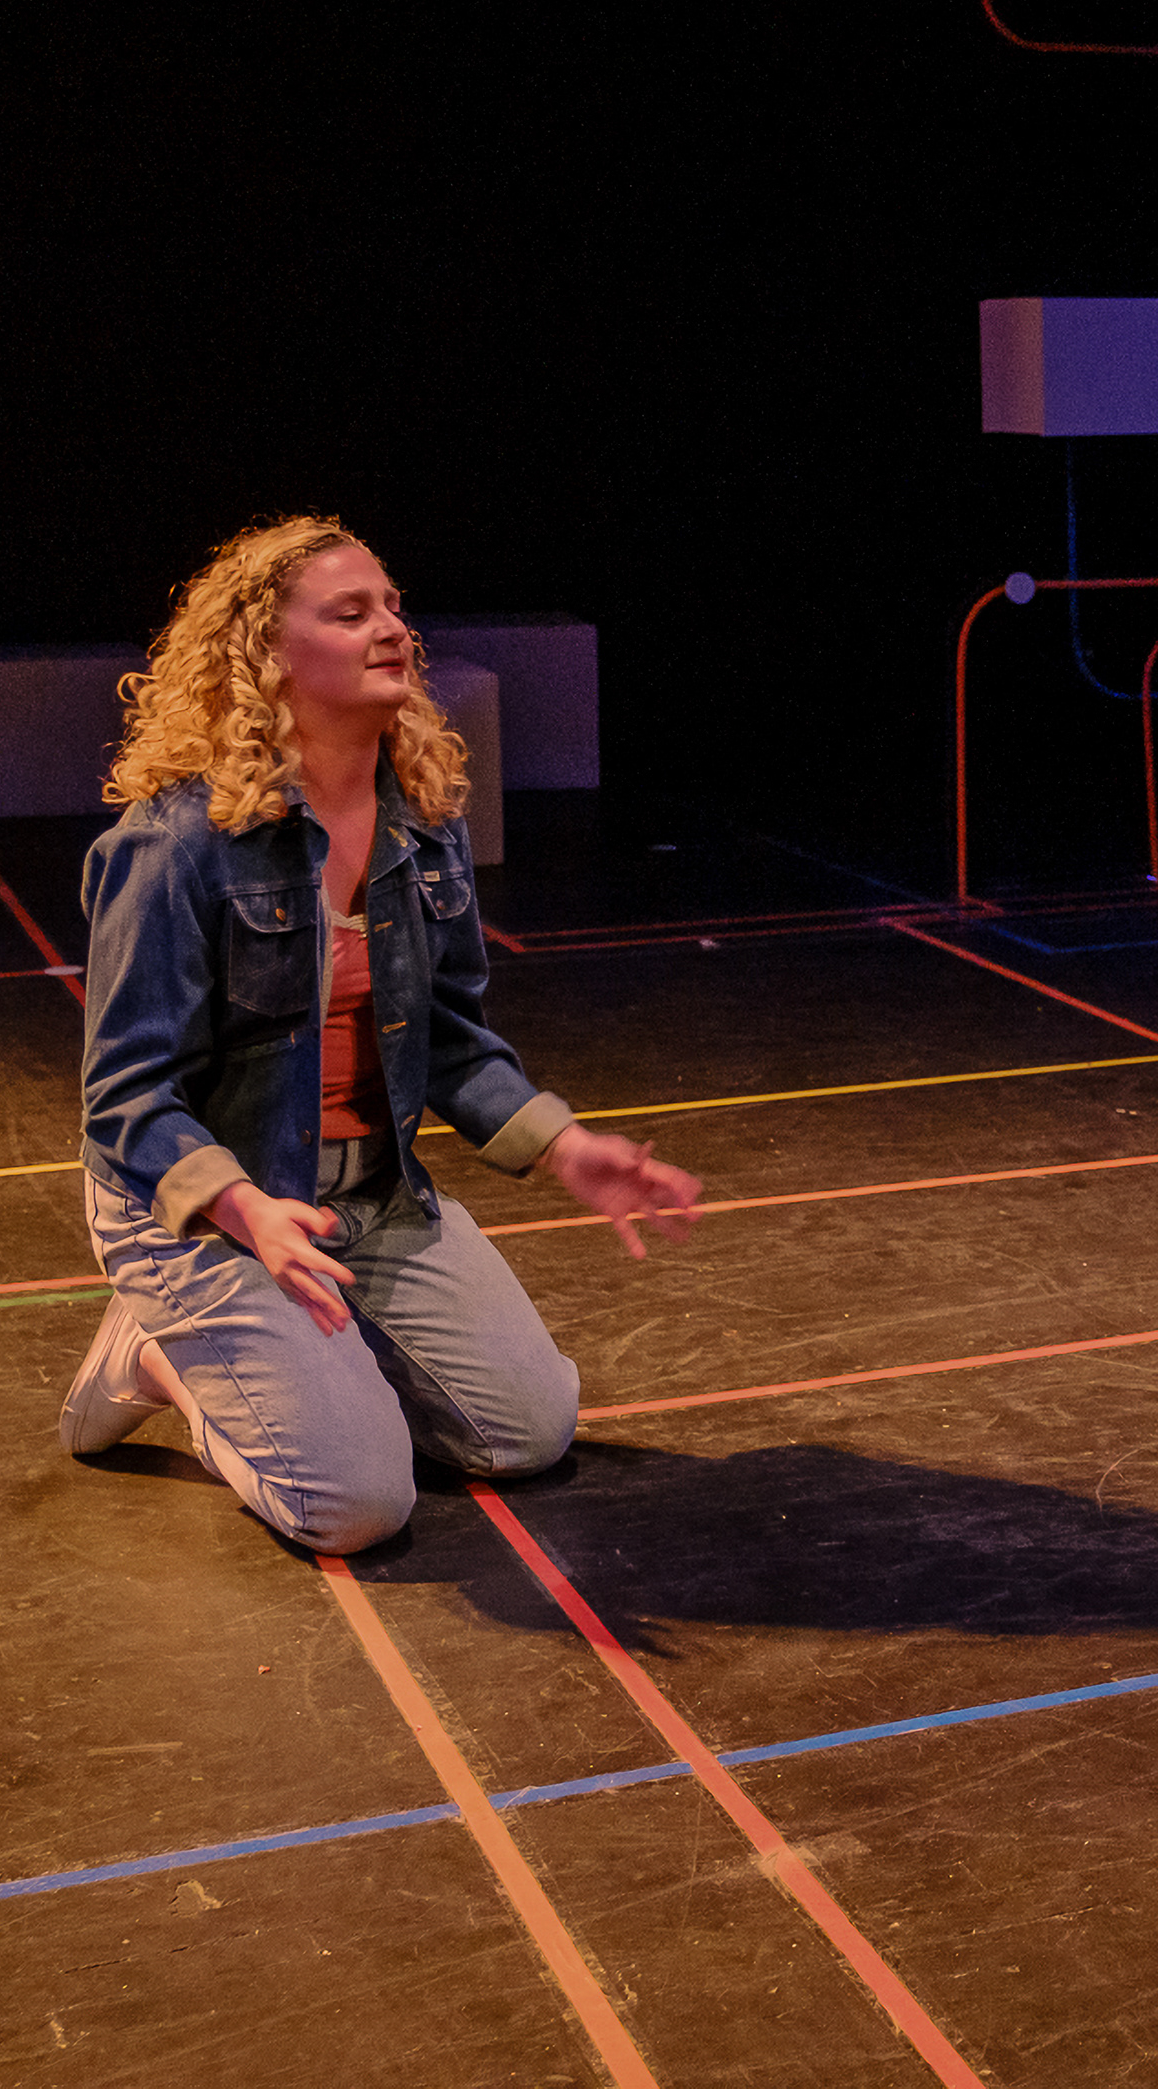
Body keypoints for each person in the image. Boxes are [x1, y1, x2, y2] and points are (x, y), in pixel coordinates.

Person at [59, 516, 699, 1553]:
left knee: (526, 1433)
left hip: (370, 1193)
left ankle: (292, 1363)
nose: (393, 629)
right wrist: (244, 1210)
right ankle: (157, 1356)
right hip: (206, 1209)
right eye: (351, 613)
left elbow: (448, 1037)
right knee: (355, 1506)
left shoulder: (425, 821)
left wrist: (565, 1146)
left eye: (393, 608)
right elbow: (126, 1096)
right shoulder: (176, 844)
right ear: (268, 655)